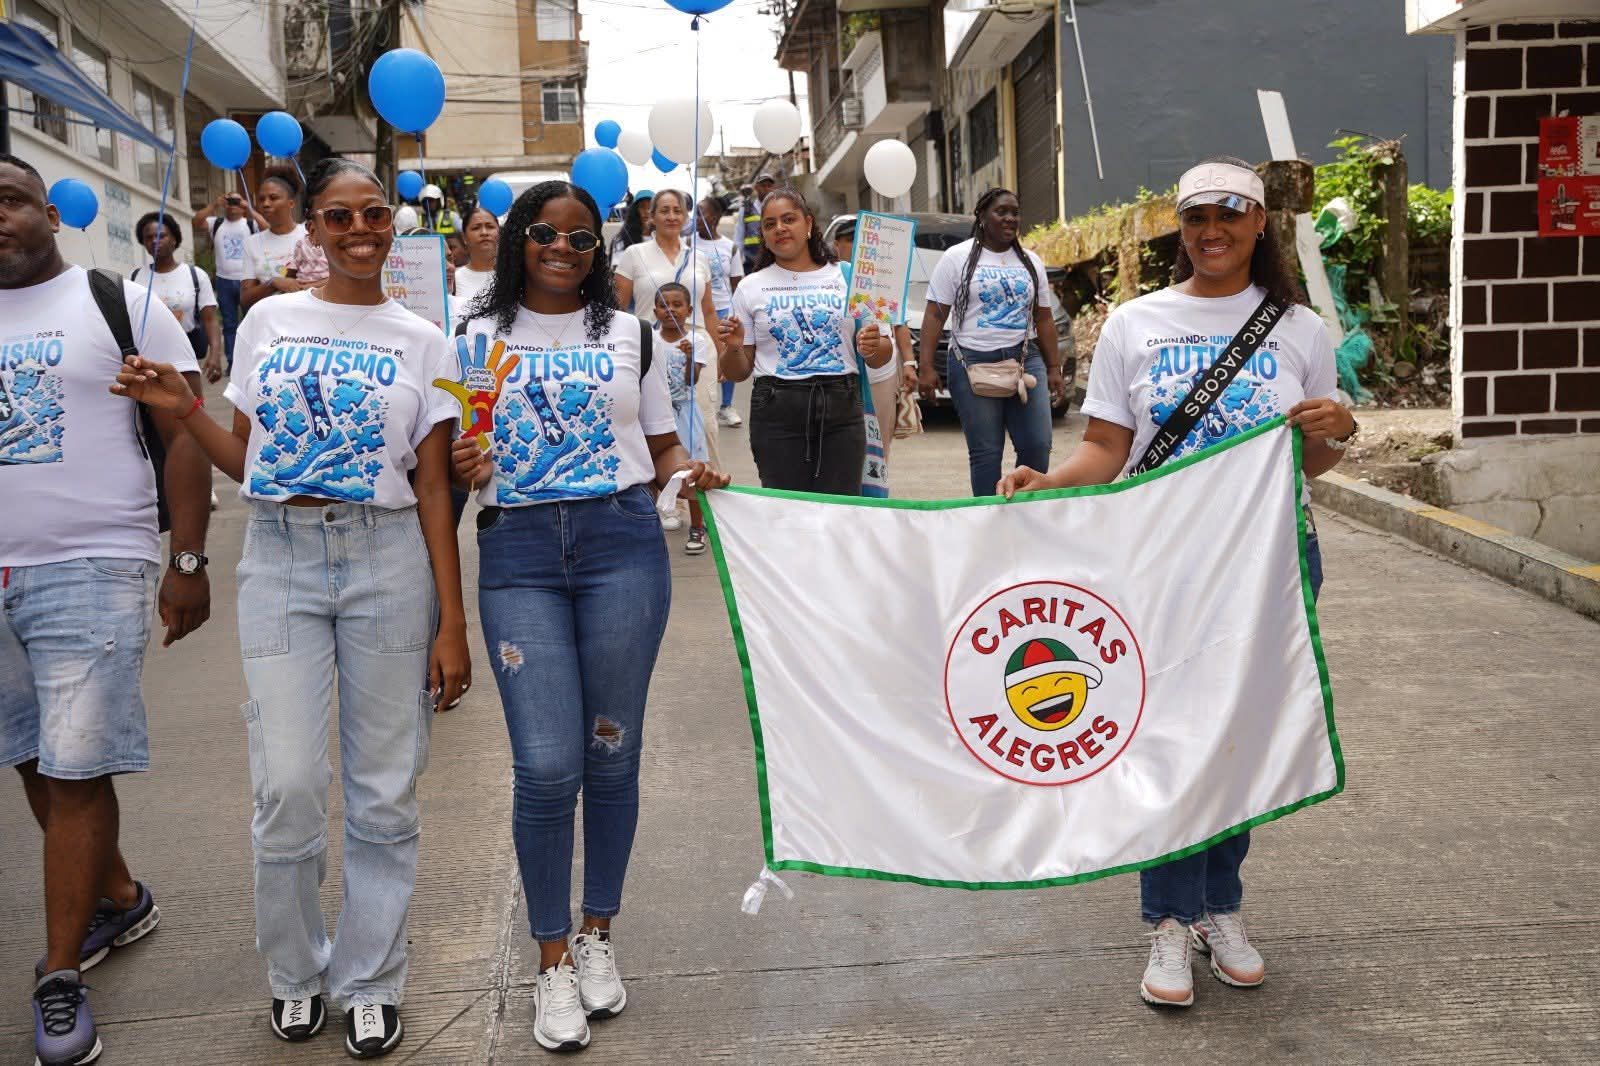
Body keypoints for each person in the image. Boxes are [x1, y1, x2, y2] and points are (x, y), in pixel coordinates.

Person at [112, 157, 470, 1059]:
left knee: (386, 787)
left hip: (388, 557)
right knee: (288, 786)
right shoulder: (270, 318)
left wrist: (451, 620)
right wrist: (184, 408)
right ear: (310, 227)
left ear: (395, 226)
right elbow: (250, 460)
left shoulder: (426, 338)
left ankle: (374, 977)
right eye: (339, 216)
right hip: (278, 557)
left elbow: (433, 489)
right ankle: (296, 970)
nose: (359, 231)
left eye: (375, 214)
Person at [997, 155, 1357, 1010]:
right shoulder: (1134, 322)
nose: (1212, 233)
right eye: (1196, 219)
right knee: (1163, 737)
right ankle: (1167, 917)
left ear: (1259, 224)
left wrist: (1341, 428)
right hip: (1161, 562)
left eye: (1230, 217)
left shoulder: (1299, 331)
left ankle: (1220, 907)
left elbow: (1316, 459)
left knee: (1240, 737)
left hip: (1271, 558)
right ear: (1182, 230)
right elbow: (1108, 450)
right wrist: (1049, 480)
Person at [446, 179, 728, 1053]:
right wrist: (463, 463)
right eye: (544, 234)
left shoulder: (631, 335)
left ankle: (598, 934)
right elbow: (462, 457)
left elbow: (661, 447)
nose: (563, 249)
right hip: (519, 556)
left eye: (580, 238)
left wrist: (691, 475)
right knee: (544, 764)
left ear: (599, 249)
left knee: (611, 750)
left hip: (621, 547)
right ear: (516, 241)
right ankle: (551, 961)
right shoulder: (474, 338)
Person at [0, 151, 213, 1066]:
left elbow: (184, 432)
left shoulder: (115, 304)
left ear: (49, 211)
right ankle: (119, 897)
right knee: (32, 757)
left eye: (8, 200)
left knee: (77, 764)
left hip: (96, 562)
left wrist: (188, 561)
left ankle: (58, 976)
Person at [719, 187, 892, 493]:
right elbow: (737, 372)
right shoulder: (749, 287)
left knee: (840, 513)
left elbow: (882, 354)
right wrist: (733, 345)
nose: (780, 229)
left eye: (789, 219)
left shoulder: (851, 276)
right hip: (776, 413)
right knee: (788, 514)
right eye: (770, 224)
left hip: (842, 410)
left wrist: (876, 346)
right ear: (763, 234)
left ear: (809, 224)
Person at [919, 188, 1066, 497]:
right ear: (982, 216)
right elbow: (934, 314)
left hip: (1024, 360)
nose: (1010, 218)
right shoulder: (956, 258)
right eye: (1002, 212)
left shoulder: (1030, 262)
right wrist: (926, 366)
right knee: (987, 453)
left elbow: (1044, 318)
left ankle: (1027, 513)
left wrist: (1054, 367)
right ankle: (988, 520)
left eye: (1015, 212)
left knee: (1038, 445)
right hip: (971, 361)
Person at [613, 189, 723, 501]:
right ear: (652, 216)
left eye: (678, 210)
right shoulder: (634, 255)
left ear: (686, 217)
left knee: (702, 426)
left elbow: (710, 310)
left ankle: (702, 506)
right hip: (651, 350)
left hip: (697, 351)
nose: (671, 216)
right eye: (664, 210)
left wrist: (722, 354)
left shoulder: (698, 257)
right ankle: (666, 503)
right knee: (657, 429)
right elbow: (619, 308)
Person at [832, 223, 917, 469]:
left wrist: (910, 363)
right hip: (842, 379)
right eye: (850, 239)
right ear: (837, 245)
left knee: (878, 450)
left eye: (861, 239)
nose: (858, 245)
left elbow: (898, 324)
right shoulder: (827, 278)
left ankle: (876, 500)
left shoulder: (880, 281)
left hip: (881, 376)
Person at [653, 282, 715, 554]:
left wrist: (690, 359)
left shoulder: (696, 341)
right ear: (654, 310)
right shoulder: (649, 339)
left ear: (689, 310)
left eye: (677, 305)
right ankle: (655, 521)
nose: (670, 310)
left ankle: (698, 527)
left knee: (693, 469)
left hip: (687, 413)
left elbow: (692, 380)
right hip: (659, 414)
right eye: (664, 305)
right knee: (653, 470)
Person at [133, 211, 223, 379]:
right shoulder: (135, 277)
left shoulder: (196, 275)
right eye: (148, 237)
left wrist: (215, 354)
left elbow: (210, 319)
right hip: (148, 360)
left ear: (174, 239)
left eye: (161, 236)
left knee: (192, 404)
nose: (154, 241)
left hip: (186, 358)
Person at [193, 191, 265, 367]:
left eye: (236, 201)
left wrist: (248, 208)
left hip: (248, 280)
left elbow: (267, 228)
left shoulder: (250, 223)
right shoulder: (216, 223)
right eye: (230, 201)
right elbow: (196, 222)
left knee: (252, 321)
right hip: (224, 280)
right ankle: (233, 362)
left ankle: (254, 359)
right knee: (229, 324)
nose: (233, 204)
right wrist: (214, 205)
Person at [693, 195, 746, 428]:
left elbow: (737, 283)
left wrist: (738, 314)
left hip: (724, 310)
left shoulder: (729, 247)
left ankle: (726, 406)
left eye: (700, 213)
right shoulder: (689, 244)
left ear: (713, 217)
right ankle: (700, 405)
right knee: (700, 358)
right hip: (699, 310)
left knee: (726, 358)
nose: (695, 219)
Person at [239, 169, 307, 310]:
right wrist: (273, 283)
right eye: (261, 199)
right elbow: (245, 300)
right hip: (269, 324)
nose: (266, 204)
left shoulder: (309, 235)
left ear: (291, 203)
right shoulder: (251, 243)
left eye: (273, 198)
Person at [453, 200, 500, 311]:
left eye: (490, 227)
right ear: (464, 237)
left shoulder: (515, 275)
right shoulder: (454, 279)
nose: (484, 232)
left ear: (499, 232)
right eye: (476, 228)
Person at [738, 173, 774, 273]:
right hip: (751, 265)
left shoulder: (776, 209)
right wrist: (737, 265)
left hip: (773, 264)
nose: (767, 189)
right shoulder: (746, 210)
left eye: (769, 186)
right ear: (756, 188)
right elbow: (739, 238)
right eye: (763, 186)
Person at [607, 190, 652, 259]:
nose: (647, 211)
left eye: (651, 207)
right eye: (642, 206)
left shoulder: (665, 239)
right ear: (635, 211)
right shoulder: (621, 241)